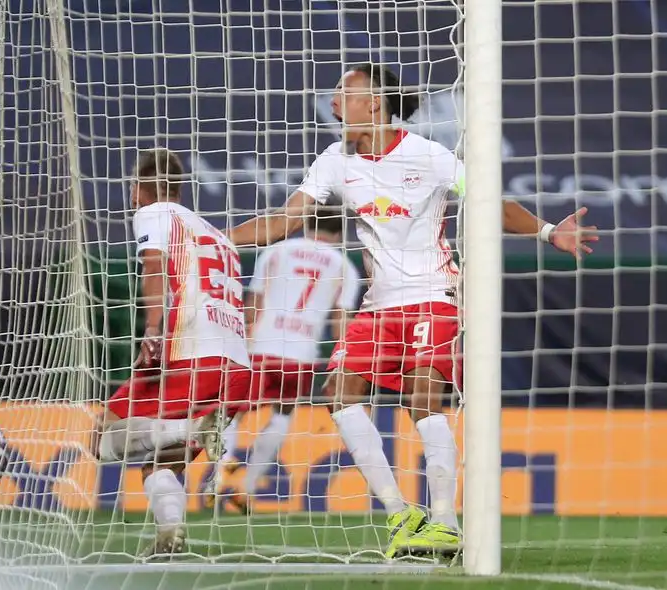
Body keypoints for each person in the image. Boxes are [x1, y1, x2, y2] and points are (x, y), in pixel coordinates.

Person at [228, 63, 598, 558]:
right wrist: (219, 237)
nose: (334, 102)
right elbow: (285, 219)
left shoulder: (430, 157)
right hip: (379, 306)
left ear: (374, 103)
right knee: (338, 393)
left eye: (345, 93)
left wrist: (549, 231)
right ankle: (403, 514)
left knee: (423, 397)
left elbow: (491, 203)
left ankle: (444, 520)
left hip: (431, 295)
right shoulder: (335, 160)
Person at [91, 147, 252, 557]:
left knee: (99, 437)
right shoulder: (216, 234)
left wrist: (152, 328)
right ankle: (171, 535)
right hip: (235, 364)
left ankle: (191, 429)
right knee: (161, 464)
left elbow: (155, 267)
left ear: (136, 189)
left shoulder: (153, 213)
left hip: (190, 352)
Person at [207, 206, 361, 512]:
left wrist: (240, 342)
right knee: (282, 414)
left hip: (261, 346)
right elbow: (340, 321)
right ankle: (247, 487)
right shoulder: (345, 267)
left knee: (231, 410)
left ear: (306, 226)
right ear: (339, 233)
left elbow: (253, 302)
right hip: (301, 354)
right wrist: (343, 360)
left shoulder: (278, 251)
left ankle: (221, 468)